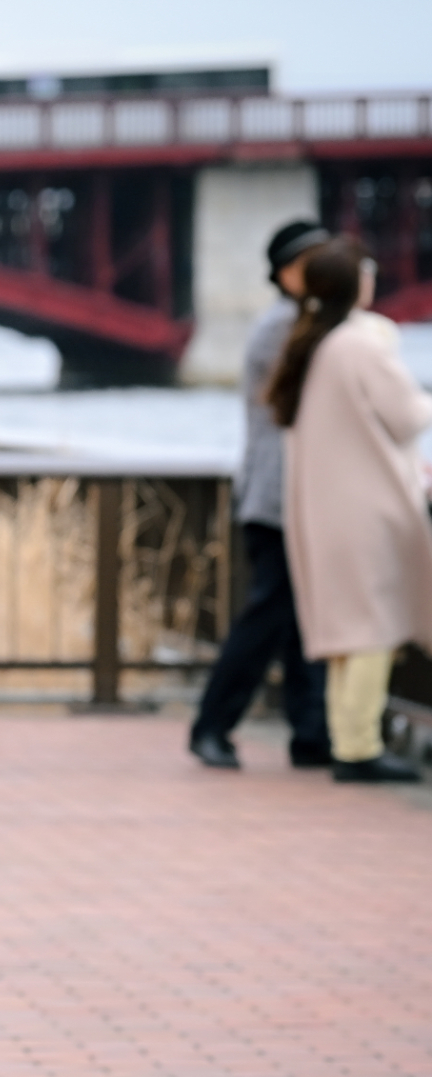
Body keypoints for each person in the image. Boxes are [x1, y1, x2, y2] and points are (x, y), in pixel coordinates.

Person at [270, 236, 432, 783]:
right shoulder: (359, 346)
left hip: (327, 509)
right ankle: (359, 747)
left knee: (348, 632)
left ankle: (348, 739)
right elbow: (408, 418)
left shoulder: (311, 344)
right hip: (370, 509)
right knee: (373, 630)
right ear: (354, 285)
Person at [188, 221, 333, 770]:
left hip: (289, 496)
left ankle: (310, 734)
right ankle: (211, 725)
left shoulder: (296, 324)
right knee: (267, 618)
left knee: (298, 621)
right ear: (288, 273)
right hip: (278, 499)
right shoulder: (284, 329)